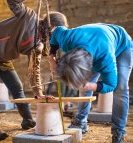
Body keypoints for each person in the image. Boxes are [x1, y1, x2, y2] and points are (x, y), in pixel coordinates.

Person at [42, 12, 133, 143]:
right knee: (84, 87)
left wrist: (88, 85)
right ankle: (80, 122)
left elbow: (110, 85)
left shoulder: (105, 59)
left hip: (122, 45)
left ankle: (118, 131)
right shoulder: (67, 39)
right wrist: (51, 58)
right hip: (97, 35)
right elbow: (56, 31)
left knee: (120, 88)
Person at [0, 0, 53, 140]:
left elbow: (35, 69)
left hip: (2, 56)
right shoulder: (29, 16)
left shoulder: (38, 44)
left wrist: (38, 92)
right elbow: (11, 0)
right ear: (48, 26)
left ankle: (27, 119)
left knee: (17, 86)